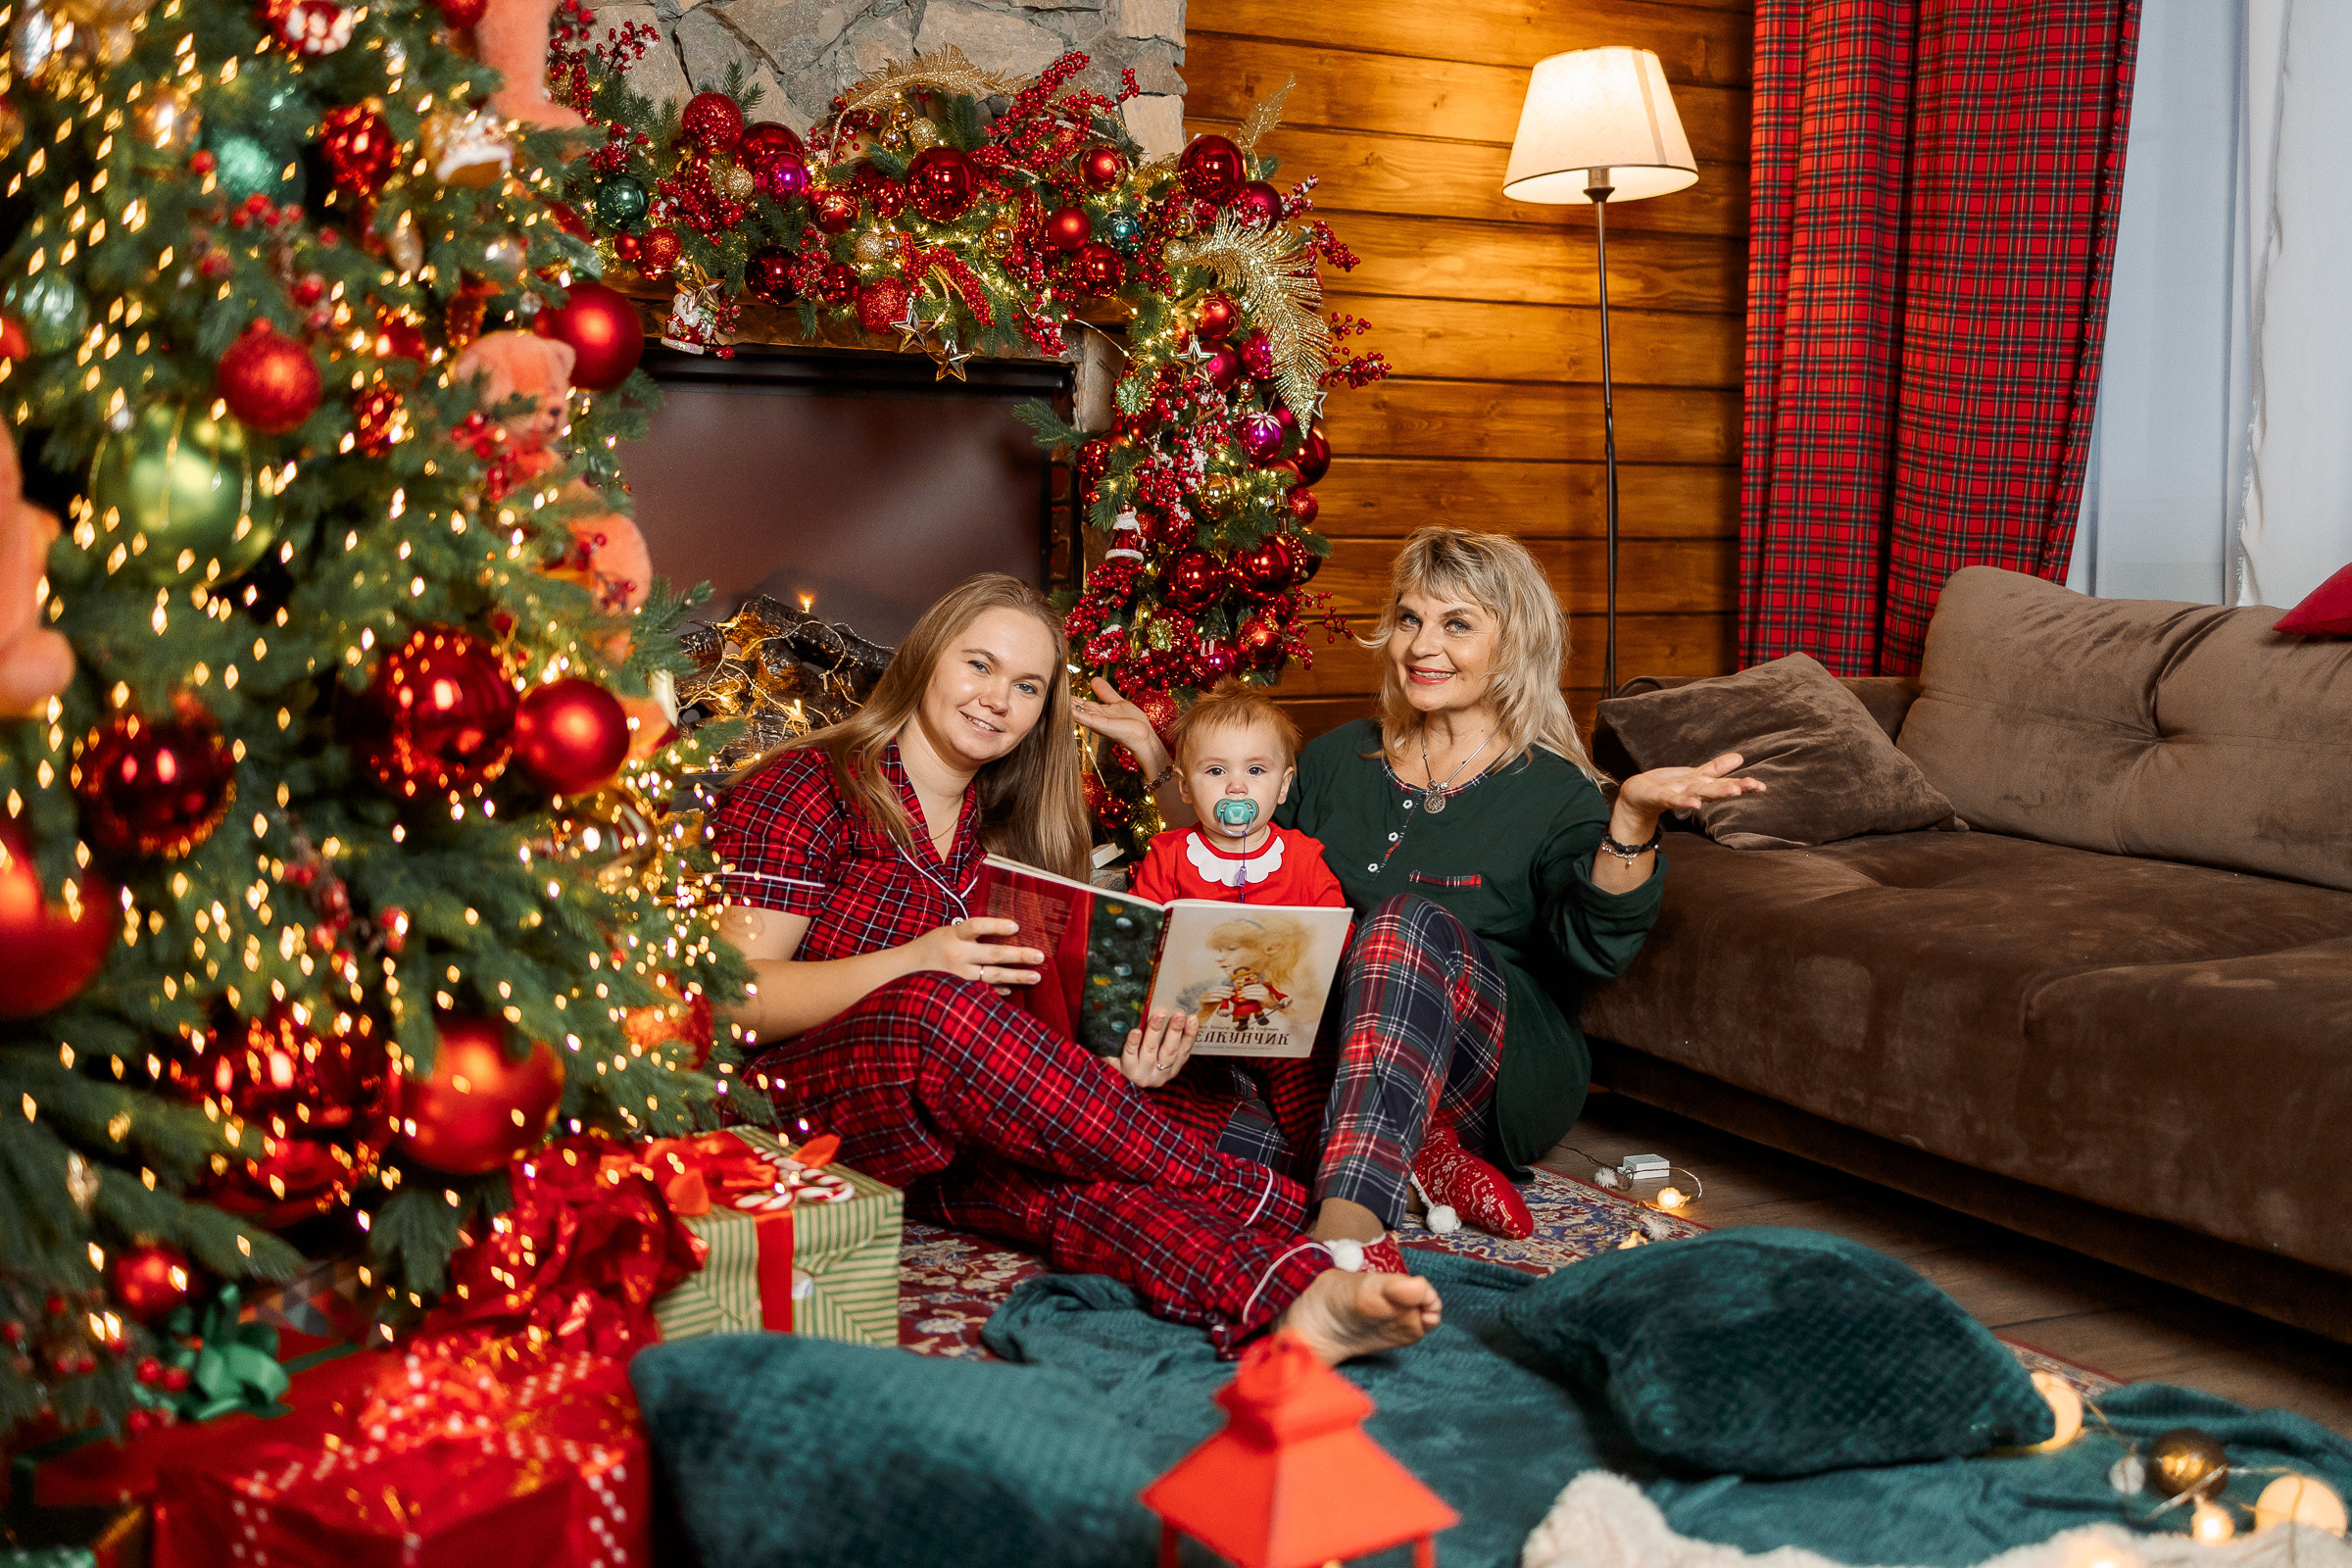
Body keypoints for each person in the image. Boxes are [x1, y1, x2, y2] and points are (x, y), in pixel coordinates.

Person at [708, 573, 1440, 1364]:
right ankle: (1280, 1205)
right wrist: (914, 963)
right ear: (926, 661)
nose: (998, 699)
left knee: (1082, 1189)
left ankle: (1299, 1287)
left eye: (1027, 686)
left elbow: (1023, 1031)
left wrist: (1111, 1054)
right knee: (935, 1006)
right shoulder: (808, 784)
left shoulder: (1009, 824)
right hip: (798, 1108)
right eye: (979, 666)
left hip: (946, 1129)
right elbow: (732, 1001)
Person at [1077, 526, 1762, 1245]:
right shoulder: (1342, 756)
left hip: (1489, 1072)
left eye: (1456, 624)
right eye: (1410, 619)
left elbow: (1597, 950)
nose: (1420, 645)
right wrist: (1157, 753)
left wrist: (1632, 815)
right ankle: (1412, 1162)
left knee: (1402, 924)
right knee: (1143, 1083)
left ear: (1512, 646)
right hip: (1327, 1057)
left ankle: (1349, 1224)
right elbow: (1236, 844)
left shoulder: (1556, 791)